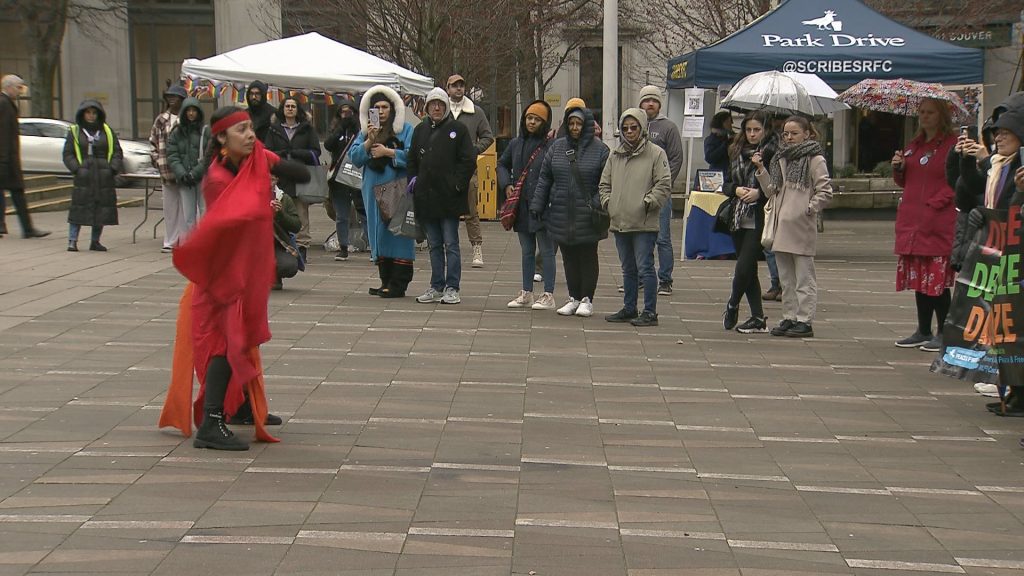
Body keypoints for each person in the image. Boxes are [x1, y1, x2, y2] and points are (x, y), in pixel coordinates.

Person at [159, 105, 309, 450]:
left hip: (245, 269)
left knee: (245, 338)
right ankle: (211, 422)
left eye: (250, 127)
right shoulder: (216, 179)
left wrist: (282, 167)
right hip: (221, 274)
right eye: (240, 130)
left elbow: (297, 172)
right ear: (222, 137)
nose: (250, 134)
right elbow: (232, 220)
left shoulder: (254, 157)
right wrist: (263, 200)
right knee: (225, 344)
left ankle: (240, 406)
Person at [954, 94, 1024, 413]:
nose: (999, 138)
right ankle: (1010, 391)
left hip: (1015, 258)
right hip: (995, 252)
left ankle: (1017, 392)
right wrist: (966, 160)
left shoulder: (1017, 169)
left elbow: (1012, 208)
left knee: (1013, 326)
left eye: (1005, 134)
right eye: (997, 134)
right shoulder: (996, 165)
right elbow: (966, 190)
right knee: (1000, 325)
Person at [753, 116, 833, 337]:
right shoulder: (780, 157)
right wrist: (760, 169)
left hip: (801, 226)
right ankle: (789, 316)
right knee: (786, 278)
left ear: (807, 134)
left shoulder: (815, 159)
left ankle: (804, 320)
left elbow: (825, 191)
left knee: (804, 277)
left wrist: (808, 208)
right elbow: (771, 190)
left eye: (794, 133)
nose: (788, 137)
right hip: (781, 225)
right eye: (786, 133)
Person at [891, 98, 957, 353]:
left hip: (936, 221)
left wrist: (935, 203)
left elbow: (956, 182)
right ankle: (923, 329)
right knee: (919, 279)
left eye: (930, 112)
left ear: (941, 116)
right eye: (921, 112)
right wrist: (899, 168)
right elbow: (905, 181)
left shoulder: (951, 146)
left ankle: (945, 331)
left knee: (936, 280)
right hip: (912, 221)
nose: (924, 116)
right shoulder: (914, 146)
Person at [532, 107, 609, 318]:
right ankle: (574, 297)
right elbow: (545, 178)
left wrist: (594, 204)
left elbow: (606, 182)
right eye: (571, 123)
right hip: (561, 211)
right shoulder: (556, 148)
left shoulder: (600, 150)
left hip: (588, 213)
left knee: (587, 256)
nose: (575, 127)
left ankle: (587, 299)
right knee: (568, 257)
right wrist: (538, 204)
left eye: (579, 123)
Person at [600, 108, 672, 327]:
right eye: (625, 128)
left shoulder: (656, 153)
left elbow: (663, 183)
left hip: (643, 222)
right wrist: (608, 204)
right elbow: (604, 184)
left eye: (633, 127)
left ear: (642, 128)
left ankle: (650, 312)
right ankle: (630, 308)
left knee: (645, 268)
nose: (629, 131)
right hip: (620, 221)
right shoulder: (615, 155)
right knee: (627, 268)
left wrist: (648, 203)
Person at [348, 85, 416, 298]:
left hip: (397, 189)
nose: (381, 111)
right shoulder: (365, 132)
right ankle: (385, 281)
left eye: (385, 106)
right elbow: (355, 158)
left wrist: (388, 152)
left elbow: (413, 156)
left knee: (398, 234)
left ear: (393, 108)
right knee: (378, 234)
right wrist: (370, 140)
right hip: (372, 189)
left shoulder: (405, 130)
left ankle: (399, 283)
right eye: (376, 107)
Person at [410, 88, 476, 305]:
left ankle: (452, 286)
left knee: (451, 243)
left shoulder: (458, 129)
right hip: (426, 197)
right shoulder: (420, 130)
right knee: (434, 244)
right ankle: (436, 285)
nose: (436, 108)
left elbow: (468, 160)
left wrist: (457, 185)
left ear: (446, 106)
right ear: (427, 107)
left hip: (448, 198)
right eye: (432, 104)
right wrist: (414, 180)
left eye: (440, 104)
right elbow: (412, 160)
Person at [722, 110, 779, 332]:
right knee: (749, 270)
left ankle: (733, 303)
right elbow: (725, 183)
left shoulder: (774, 153)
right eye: (748, 130)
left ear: (766, 130)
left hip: (760, 215)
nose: (752, 134)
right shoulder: (736, 151)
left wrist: (758, 193)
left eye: (757, 130)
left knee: (743, 265)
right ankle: (757, 317)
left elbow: (776, 186)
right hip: (738, 215)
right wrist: (735, 189)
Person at [498, 99, 557, 310]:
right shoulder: (515, 143)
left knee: (547, 250)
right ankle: (527, 292)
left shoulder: (550, 145)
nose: (532, 122)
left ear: (544, 122)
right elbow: (502, 164)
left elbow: (555, 174)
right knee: (526, 250)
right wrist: (506, 184)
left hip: (542, 205)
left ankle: (548, 293)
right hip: (521, 207)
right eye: (529, 118)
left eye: (537, 119)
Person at [263, 97, 321, 261]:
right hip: (280, 176)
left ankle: (302, 246)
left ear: (298, 110)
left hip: (300, 174)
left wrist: (296, 153)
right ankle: (283, 244)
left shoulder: (307, 129)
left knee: (301, 212)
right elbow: (267, 151)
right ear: (282, 109)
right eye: (287, 106)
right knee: (280, 209)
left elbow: (315, 151)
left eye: (293, 106)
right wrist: (282, 155)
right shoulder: (274, 129)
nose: (290, 109)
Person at [61, 100, 123, 252]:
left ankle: (95, 241)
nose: (91, 116)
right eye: (88, 112)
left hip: (103, 176)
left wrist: (112, 169)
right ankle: (72, 240)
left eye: (94, 113)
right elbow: (68, 154)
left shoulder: (107, 131)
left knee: (100, 208)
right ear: (83, 114)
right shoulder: (75, 131)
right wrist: (77, 169)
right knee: (78, 208)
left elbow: (116, 152)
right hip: (84, 177)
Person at [638, 86, 683, 297]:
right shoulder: (634, 125)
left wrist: (664, 184)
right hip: (636, 192)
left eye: (653, 101)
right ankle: (639, 277)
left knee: (662, 238)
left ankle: (665, 279)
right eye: (646, 100)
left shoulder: (669, 128)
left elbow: (676, 158)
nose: (650, 104)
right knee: (638, 237)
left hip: (661, 194)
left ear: (659, 104)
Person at [447, 74, 494, 268]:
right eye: (454, 86)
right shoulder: (441, 109)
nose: (458, 89)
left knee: (470, 210)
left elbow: (488, 136)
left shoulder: (476, 112)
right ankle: (448, 247)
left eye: (461, 85)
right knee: (445, 210)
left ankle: (477, 248)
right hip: (444, 168)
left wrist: (474, 149)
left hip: (467, 169)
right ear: (447, 88)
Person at [0, 74, 49, 239]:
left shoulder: (6, 103)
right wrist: (6, 159)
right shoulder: (4, 104)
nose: (20, 91)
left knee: (14, 192)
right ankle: (26, 229)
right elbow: (5, 134)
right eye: (18, 87)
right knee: (17, 192)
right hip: (6, 158)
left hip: (7, 158)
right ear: (9, 87)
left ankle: (19, 228)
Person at [150, 85, 188, 252]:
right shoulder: (161, 120)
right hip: (166, 170)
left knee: (186, 208)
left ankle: (183, 240)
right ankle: (170, 241)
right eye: (169, 97)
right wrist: (157, 161)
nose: (172, 100)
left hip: (185, 171)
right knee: (170, 208)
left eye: (176, 97)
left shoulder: (188, 118)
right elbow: (153, 142)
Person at [166, 96, 207, 242]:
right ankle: (193, 243)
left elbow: (209, 155)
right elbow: (172, 155)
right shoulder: (176, 132)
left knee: (204, 213)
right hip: (184, 178)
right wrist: (182, 174)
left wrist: (195, 173)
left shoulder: (205, 131)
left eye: (194, 111)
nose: (191, 114)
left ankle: (203, 242)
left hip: (201, 178)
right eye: (188, 110)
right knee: (188, 215)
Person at [324, 98, 361, 262]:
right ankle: (343, 247)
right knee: (342, 215)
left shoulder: (361, 130)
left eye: (349, 112)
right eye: (343, 111)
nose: (346, 115)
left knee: (364, 211)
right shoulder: (335, 129)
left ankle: (373, 247)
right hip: (339, 177)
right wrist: (340, 128)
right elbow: (328, 145)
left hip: (358, 175)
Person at [271, 176, 302, 290]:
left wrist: (280, 214)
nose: (269, 182)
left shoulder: (284, 198)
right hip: (251, 246)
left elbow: (296, 226)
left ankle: (274, 275)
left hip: (277, 245)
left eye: (272, 179)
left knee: (289, 265)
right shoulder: (247, 195)